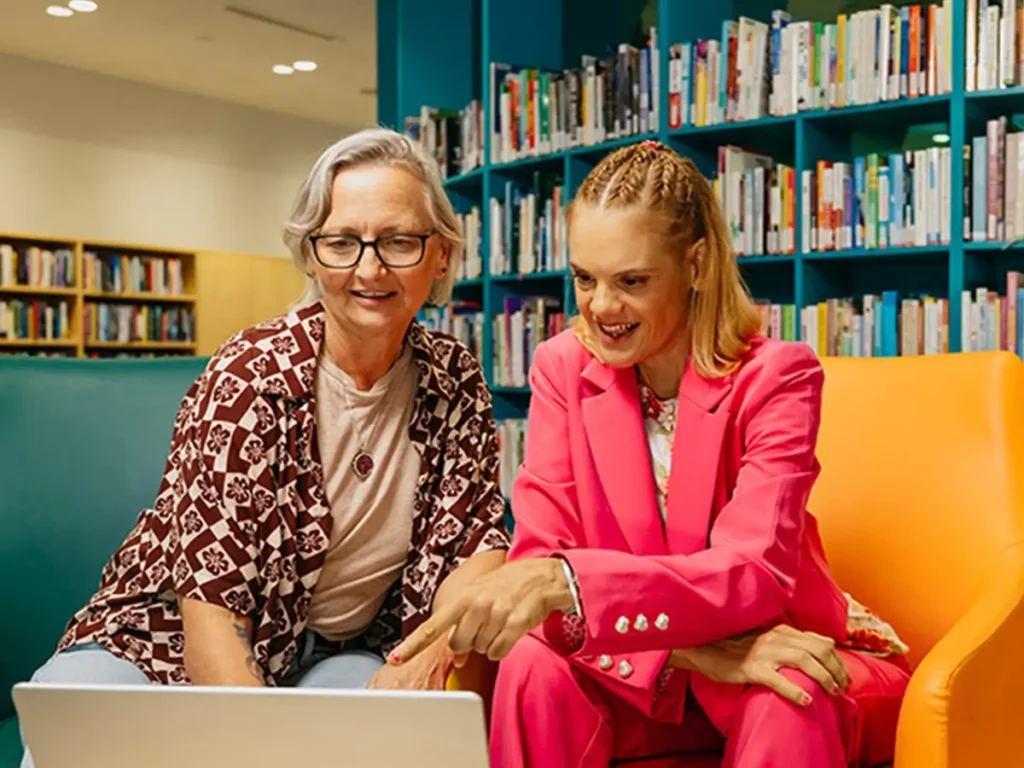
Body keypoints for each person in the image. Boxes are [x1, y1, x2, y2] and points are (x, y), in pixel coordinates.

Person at [390, 140, 911, 767]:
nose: (602, 307)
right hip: (649, 671)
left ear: (695, 264)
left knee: (793, 693)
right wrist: (690, 652)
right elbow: (541, 564)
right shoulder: (561, 367)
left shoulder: (779, 377)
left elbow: (755, 574)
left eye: (632, 281)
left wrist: (569, 583)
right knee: (531, 664)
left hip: (776, 649)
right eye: (585, 278)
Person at [18, 128, 511, 767]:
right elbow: (211, 629)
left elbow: (473, 547)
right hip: (161, 643)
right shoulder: (247, 378)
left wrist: (429, 652)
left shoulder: (454, 377)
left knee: (389, 748)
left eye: (398, 241)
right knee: (73, 744)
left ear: (441, 256)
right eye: (341, 243)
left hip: (336, 651)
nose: (369, 269)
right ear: (310, 256)